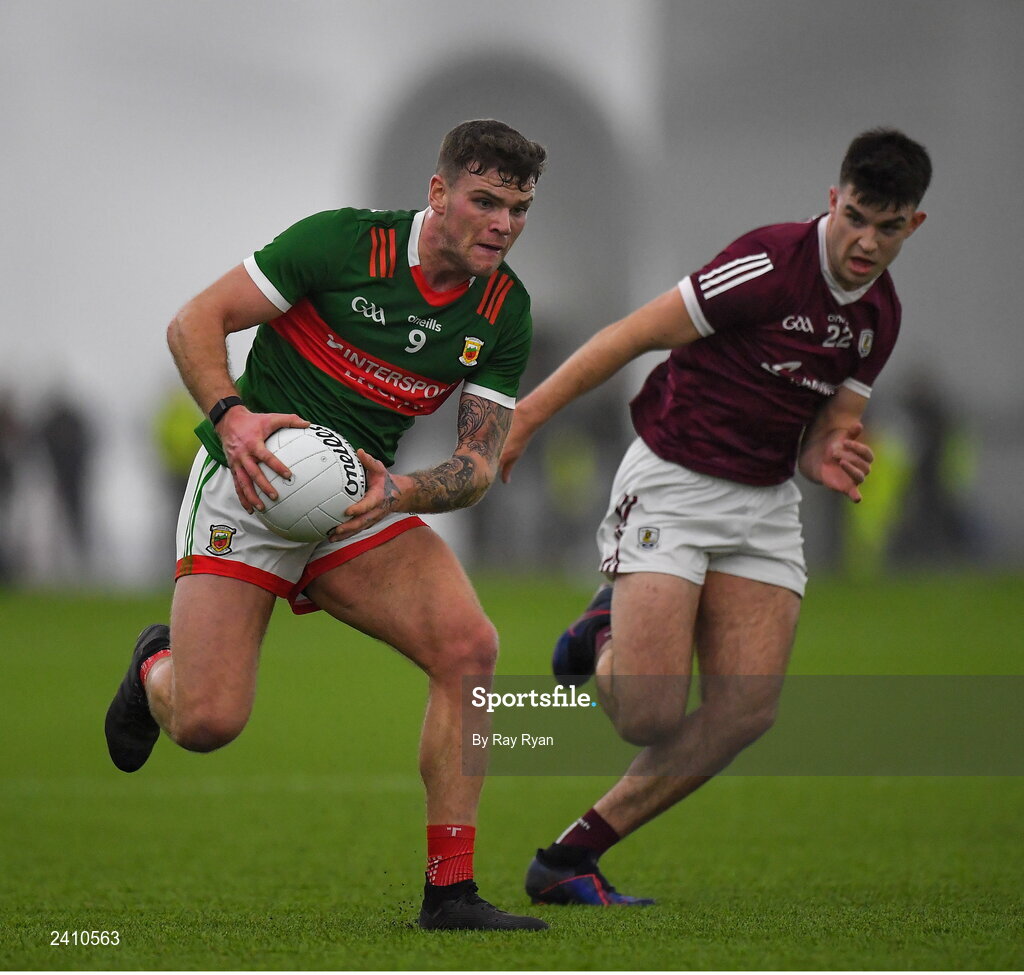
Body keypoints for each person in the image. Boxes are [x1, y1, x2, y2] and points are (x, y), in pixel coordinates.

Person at [104, 119, 549, 931]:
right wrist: (231, 417)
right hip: (249, 484)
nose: (503, 225)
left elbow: (479, 463)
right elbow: (192, 323)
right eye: (486, 201)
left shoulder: (504, 311)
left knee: (469, 646)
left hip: (356, 502)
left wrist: (405, 491)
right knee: (206, 723)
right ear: (437, 193)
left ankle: (449, 893)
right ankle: (153, 670)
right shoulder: (342, 245)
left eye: (519, 209)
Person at [500, 128, 931, 906]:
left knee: (746, 709)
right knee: (647, 715)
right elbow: (629, 336)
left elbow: (830, 426)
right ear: (833, 200)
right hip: (676, 480)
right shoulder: (767, 264)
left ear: (914, 225)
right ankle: (601, 632)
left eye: (888, 226)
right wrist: (527, 419)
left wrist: (828, 453)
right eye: (857, 217)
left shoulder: (879, 317)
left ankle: (569, 858)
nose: (866, 241)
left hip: (765, 501)